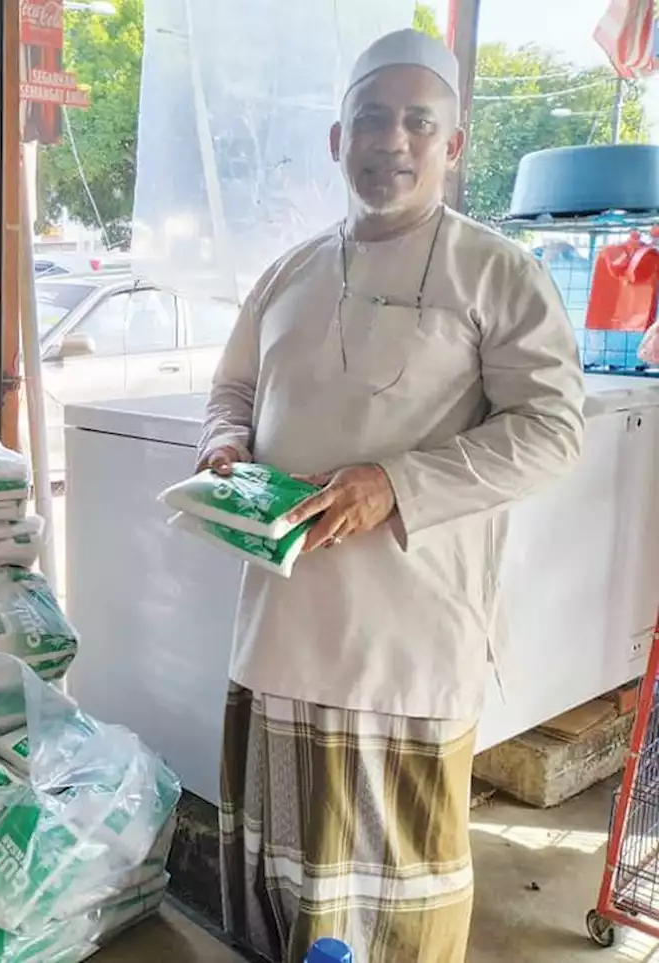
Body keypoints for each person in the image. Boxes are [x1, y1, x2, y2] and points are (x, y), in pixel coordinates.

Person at [199, 28, 585, 963]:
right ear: (339, 140)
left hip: (407, 642)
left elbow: (553, 429)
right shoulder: (288, 272)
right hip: (283, 626)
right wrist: (223, 440)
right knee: (281, 864)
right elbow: (233, 387)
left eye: (420, 121)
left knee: (397, 883)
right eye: (372, 118)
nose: (393, 140)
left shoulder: (498, 272)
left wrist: (396, 485)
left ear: (454, 146)